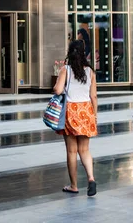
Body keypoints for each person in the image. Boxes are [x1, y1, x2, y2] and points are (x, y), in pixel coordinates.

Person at [53, 40, 98, 197]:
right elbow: (93, 96)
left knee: (72, 151)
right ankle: (91, 178)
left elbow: (58, 90)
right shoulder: (90, 72)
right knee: (84, 150)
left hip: (71, 111)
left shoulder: (66, 69)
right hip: (86, 110)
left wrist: (59, 85)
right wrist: (95, 115)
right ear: (83, 53)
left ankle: (74, 186)